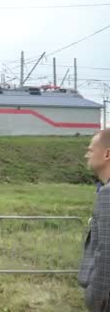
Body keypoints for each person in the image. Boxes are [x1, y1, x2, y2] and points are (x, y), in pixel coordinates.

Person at [79, 130, 110, 312]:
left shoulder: (108, 194)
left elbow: (106, 255)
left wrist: (95, 300)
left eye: (90, 150)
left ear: (107, 154)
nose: (86, 155)